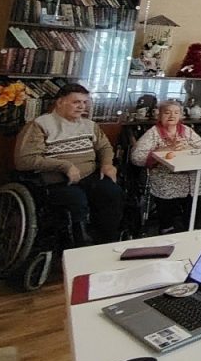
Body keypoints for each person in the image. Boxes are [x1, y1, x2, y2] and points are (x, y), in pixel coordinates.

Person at [14, 83, 123, 244]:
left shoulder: (89, 125)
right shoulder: (40, 125)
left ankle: (107, 243)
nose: (82, 107)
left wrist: (107, 164)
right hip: (57, 181)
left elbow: (104, 147)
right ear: (60, 102)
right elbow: (25, 160)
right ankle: (79, 247)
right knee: (76, 201)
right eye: (76, 102)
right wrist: (65, 166)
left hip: (89, 176)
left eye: (84, 102)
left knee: (112, 192)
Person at [130, 99, 201, 234]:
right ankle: (167, 227)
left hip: (190, 175)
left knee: (197, 184)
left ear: (181, 115)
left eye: (176, 113)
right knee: (166, 185)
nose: (172, 116)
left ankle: (193, 228)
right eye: (167, 113)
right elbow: (136, 157)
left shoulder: (187, 131)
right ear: (160, 115)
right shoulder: (153, 133)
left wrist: (188, 148)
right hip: (165, 175)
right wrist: (167, 149)